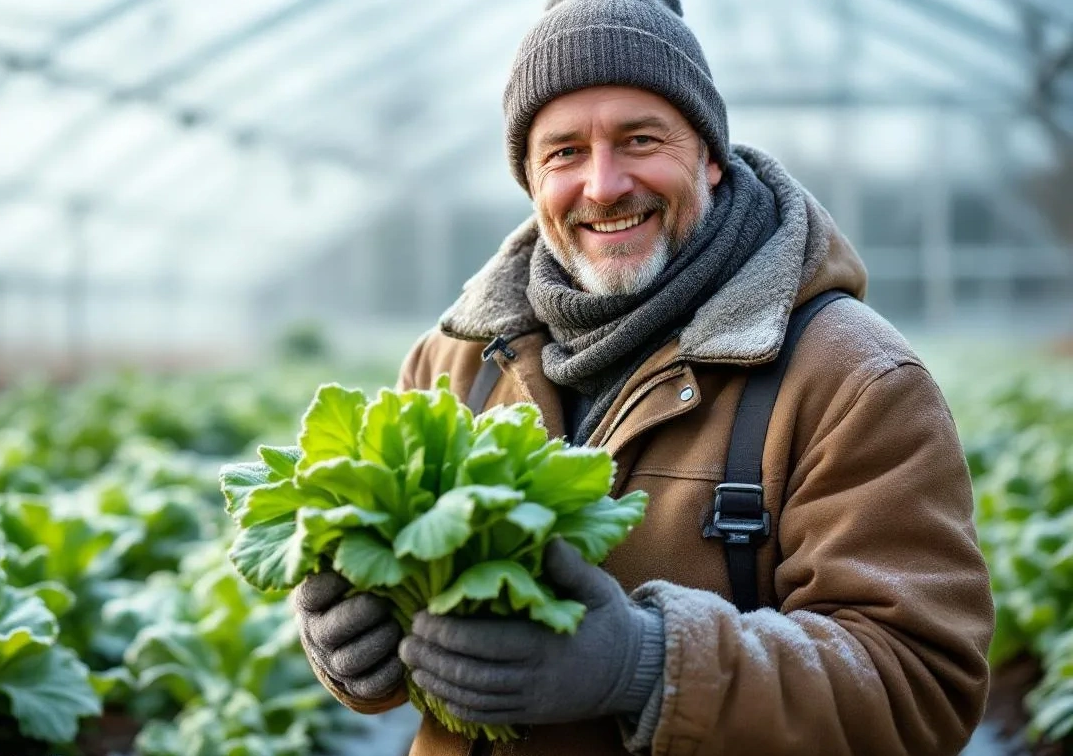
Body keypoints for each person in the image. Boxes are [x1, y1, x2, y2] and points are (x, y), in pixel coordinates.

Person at [291, 0, 995, 753]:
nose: (603, 184)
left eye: (640, 139)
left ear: (710, 155)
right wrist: (350, 643)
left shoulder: (853, 379)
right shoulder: (453, 361)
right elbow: (395, 622)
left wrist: (648, 663)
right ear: (530, 178)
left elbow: (919, 685)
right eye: (563, 152)